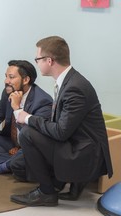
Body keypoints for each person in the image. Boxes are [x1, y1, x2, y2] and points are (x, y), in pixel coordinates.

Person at [10, 36, 113, 207]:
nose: (37, 63)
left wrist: (27, 117)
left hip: (85, 155)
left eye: (38, 59)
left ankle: (47, 192)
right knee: (20, 163)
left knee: (27, 134)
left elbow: (60, 132)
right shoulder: (69, 80)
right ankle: (60, 182)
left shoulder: (75, 87)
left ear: (49, 61)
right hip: (78, 145)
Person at [0, 60, 52, 178]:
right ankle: (16, 164)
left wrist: (17, 108)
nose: (6, 81)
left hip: (32, 146)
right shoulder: (8, 92)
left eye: (11, 77)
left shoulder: (43, 101)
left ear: (26, 80)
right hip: (13, 144)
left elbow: (33, 135)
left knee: (32, 154)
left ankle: (0, 167)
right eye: (6, 76)